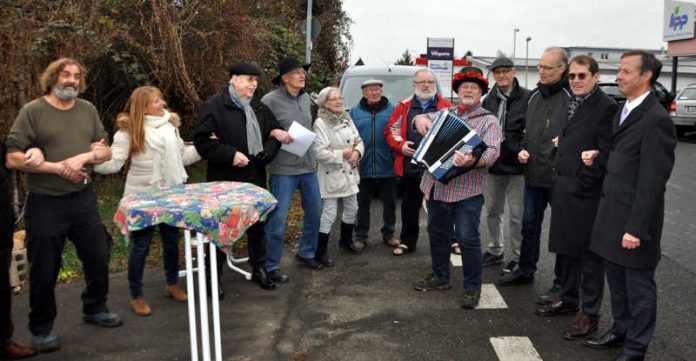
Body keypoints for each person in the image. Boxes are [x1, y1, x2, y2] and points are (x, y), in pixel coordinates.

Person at [5, 58, 121, 353]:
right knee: (45, 267)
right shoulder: (33, 111)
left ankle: (95, 307)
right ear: (52, 78)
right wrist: (57, 168)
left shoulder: (88, 109)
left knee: (98, 254)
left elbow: (104, 150)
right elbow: (12, 157)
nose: (71, 80)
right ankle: (41, 328)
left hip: (83, 199)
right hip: (45, 203)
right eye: (65, 74)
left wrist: (84, 158)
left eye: (76, 76)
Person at [584, 51, 677, 361]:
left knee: (638, 287)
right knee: (618, 283)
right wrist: (598, 156)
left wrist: (636, 228)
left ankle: (636, 348)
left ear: (646, 75)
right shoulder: (622, 109)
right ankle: (620, 331)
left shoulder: (656, 119)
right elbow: (621, 158)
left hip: (634, 222)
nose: (619, 76)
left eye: (625, 71)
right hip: (611, 214)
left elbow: (652, 181)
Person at [93, 86, 201, 316]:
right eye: (156, 101)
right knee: (141, 247)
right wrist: (94, 157)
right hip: (142, 198)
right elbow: (113, 164)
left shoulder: (171, 126)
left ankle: (172, 284)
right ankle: (136, 295)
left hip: (172, 193)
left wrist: (202, 147)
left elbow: (182, 157)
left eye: (162, 98)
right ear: (142, 107)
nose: (163, 103)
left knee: (171, 241)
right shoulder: (128, 132)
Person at [534, 56, 617, 341]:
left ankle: (589, 314)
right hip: (564, 188)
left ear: (596, 77)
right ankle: (568, 299)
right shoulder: (572, 102)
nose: (577, 80)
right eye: (572, 76)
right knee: (567, 251)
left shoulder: (605, 107)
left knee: (590, 258)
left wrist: (585, 182)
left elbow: (606, 152)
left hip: (586, 194)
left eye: (583, 75)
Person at [194, 62, 291, 294]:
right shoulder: (214, 105)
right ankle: (214, 277)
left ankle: (259, 268)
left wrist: (267, 153)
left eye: (256, 80)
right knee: (220, 227)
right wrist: (230, 155)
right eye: (249, 79)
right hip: (224, 179)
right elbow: (203, 141)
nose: (254, 84)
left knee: (258, 225)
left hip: (254, 175)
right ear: (234, 79)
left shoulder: (258, 107)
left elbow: (274, 132)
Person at [412, 67, 501, 309]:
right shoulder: (444, 113)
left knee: (467, 238)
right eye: (464, 87)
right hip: (437, 189)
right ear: (457, 91)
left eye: (474, 87)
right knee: (438, 235)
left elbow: (493, 152)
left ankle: (472, 287)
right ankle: (441, 277)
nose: (468, 90)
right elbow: (422, 119)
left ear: (481, 92)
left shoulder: (488, 120)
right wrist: (418, 118)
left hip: (467, 192)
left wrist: (473, 161)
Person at [498, 47, 571, 306]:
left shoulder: (570, 96)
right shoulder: (534, 97)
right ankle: (526, 269)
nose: (542, 71)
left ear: (562, 69)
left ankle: (562, 286)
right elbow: (521, 132)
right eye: (540, 66)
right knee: (529, 225)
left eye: (548, 67)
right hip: (532, 174)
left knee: (563, 233)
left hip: (560, 178)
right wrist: (520, 149)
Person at [262, 57, 324, 280]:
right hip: (283, 169)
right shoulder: (269, 100)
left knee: (315, 213)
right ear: (284, 78)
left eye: (303, 72)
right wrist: (274, 132)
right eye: (297, 72)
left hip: (308, 167)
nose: (302, 75)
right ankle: (270, 266)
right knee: (278, 220)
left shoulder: (306, 97)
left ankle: (306, 253)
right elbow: (260, 127)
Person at [385, 69, 451, 256]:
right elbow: (391, 130)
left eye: (430, 81)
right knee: (410, 206)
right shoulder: (403, 107)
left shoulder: (446, 107)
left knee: (443, 207)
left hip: (438, 167)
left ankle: (451, 240)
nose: (426, 85)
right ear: (414, 84)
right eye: (421, 82)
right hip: (411, 166)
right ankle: (407, 242)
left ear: (435, 84)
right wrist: (401, 145)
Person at [480, 57, 530, 272]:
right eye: (497, 72)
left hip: (518, 167)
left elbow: (532, 130)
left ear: (514, 72)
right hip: (494, 166)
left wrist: (522, 148)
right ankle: (495, 250)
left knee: (517, 215)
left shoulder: (528, 98)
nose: (501, 75)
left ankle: (518, 257)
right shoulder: (488, 100)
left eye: (505, 71)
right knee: (492, 211)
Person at [312, 87, 364, 266]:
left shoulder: (347, 118)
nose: (339, 101)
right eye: (334, 99)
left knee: (353, 208)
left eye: (340, 98)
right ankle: (321, 251)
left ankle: (346, 240)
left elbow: (359, 140)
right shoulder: (321, 122)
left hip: (349, 171)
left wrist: (356, 153)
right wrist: (343, 153)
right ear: (324, 103)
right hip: (331, 174)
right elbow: (319, 152)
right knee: (330, 213)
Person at [350, 79, 399, 251]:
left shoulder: (393, 110)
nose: (374, 92)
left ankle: (389, 234)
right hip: (363, 166)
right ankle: (361, 236)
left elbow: (399, 134)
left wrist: (395, 158)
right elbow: (351, 138)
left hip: (387, 165)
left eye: (377, 89)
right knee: (362, 203)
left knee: (390, 203)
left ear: (381, 90)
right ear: (364, 93)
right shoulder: (354, 112)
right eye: (370, 90)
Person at [0, 141, 36, 359]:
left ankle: (3, 341)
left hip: (1, 227)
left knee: (1, 289)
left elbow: (12, 156)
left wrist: (34, 152)